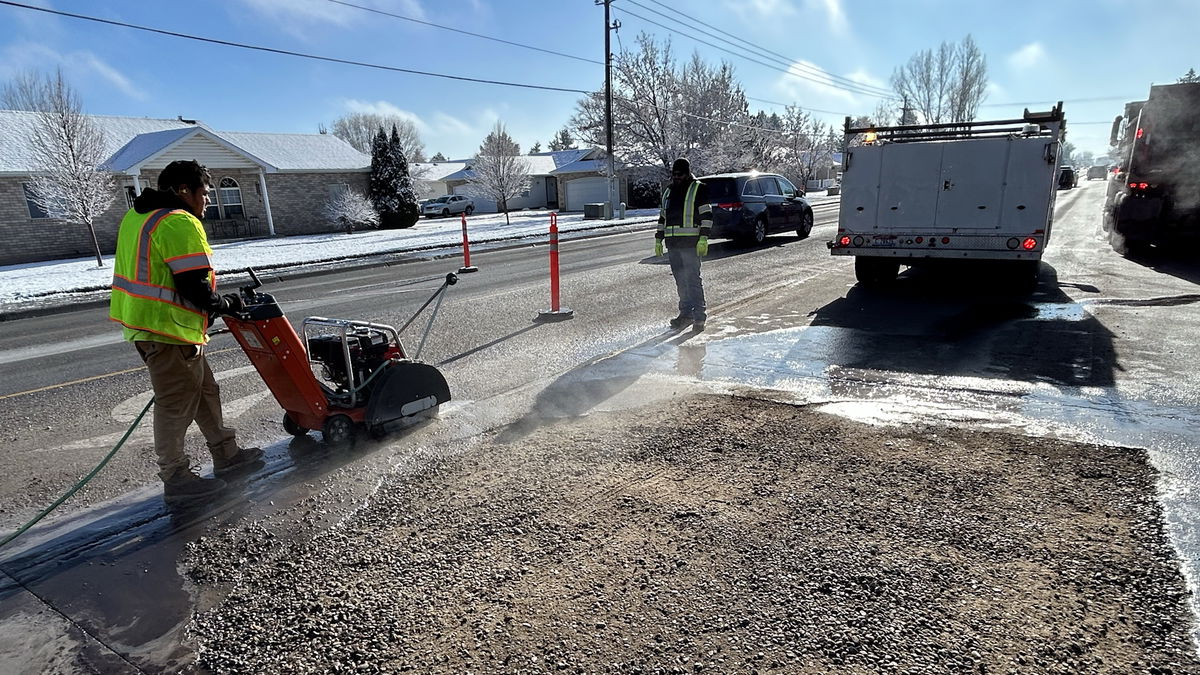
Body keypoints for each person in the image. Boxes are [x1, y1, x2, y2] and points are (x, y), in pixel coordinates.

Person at [109, 160, 262, 501]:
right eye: (204, 194)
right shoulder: (178, 221)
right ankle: (176, 478)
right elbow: (193, 284)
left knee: (205, 391)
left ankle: (226, 453)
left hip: (152, 325)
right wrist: (224, 304)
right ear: (183, 191)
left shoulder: (138, 217)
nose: (207, 201)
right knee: (175, 403)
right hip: (167, 330)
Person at [655, 157, 712, 331]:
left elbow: (707, 216)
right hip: (673, 245)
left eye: (680, 174)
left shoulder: (698, 189)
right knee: (681, 281)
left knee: (692, 280)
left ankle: (699, 317)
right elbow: (663, 217)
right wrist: (659, 238)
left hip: (690, 244)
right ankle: (685, 314)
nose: (676, 177)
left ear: (687, 173)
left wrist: (703, 238)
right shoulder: (669, 191)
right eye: (674, 174)